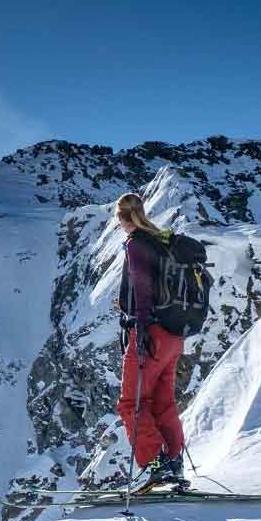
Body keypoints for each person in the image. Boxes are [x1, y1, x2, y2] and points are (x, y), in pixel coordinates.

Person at [114, 192, 188, 492]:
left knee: (131, 403)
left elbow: (142, 288)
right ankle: (174, 463)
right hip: (174, 335)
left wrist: (142, 327)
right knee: (163, 403)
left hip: (150, 334)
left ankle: (155, 466)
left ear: (121, 218)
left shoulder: (137, 244)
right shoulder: (163, 240)